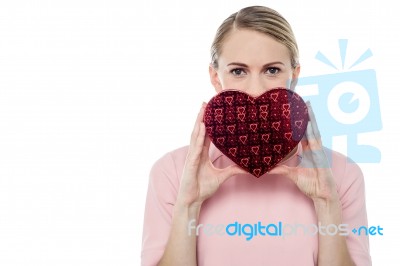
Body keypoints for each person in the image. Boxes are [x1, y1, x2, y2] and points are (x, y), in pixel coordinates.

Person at [141, 6, 371, 266]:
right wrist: (188, 205)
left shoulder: (342, 174)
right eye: (238, 71)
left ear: (293, 76)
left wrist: (327, 203)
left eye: (272, 70)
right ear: (216, 78)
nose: (255, 90)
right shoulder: (172, 172)